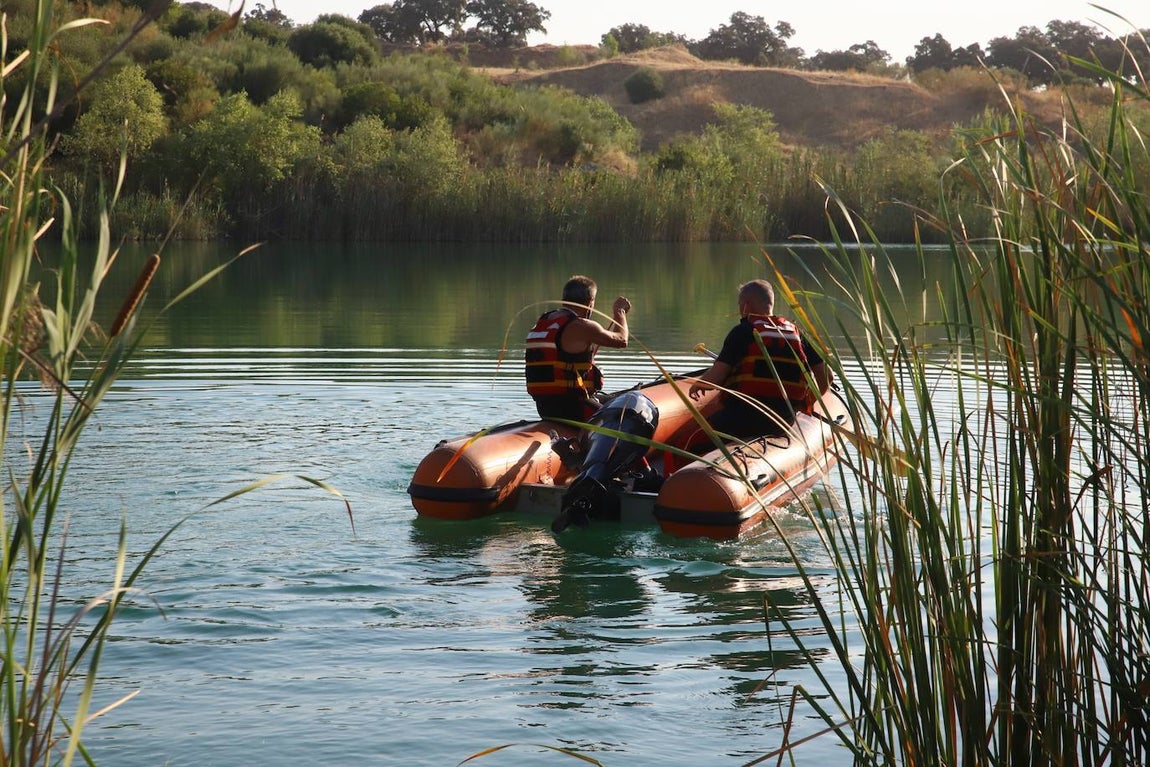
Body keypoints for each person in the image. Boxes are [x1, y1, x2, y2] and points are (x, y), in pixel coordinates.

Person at [688, 279, 831, 440]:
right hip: (783, 420)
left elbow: (717, 377)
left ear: (746, 305)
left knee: (691, 439)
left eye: (739, 304)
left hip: (742, 418)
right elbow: (827, 375)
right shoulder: (796, 334)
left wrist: (696, 385)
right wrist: (806, 402)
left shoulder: (743, 332)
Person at [525, 275, 631, 422]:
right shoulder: (581, 325)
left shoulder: (545, 321)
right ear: (590, 302)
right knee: (630, 412)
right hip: (572, 409)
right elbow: (621, 340)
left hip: (544, 407)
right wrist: (620, 312)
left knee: (615, 398)